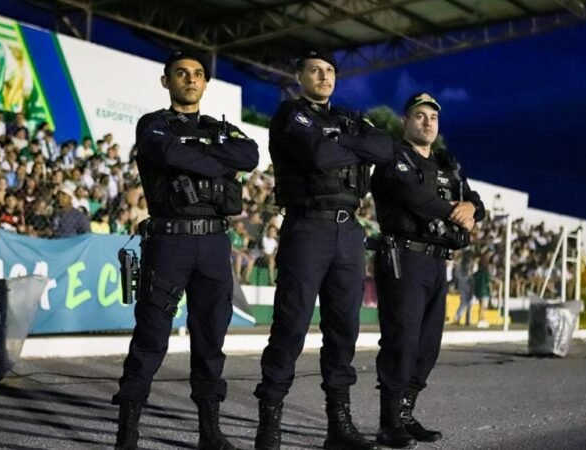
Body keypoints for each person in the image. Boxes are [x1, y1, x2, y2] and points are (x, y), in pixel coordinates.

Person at [112, 49, 258, 450]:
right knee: (151, 337)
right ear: (167, 82)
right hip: (169, 241)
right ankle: (127, 435)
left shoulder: (217, 127)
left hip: (213, 242)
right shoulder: (154, 124)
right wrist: (214, 155)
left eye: (197, 74)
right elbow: (166, 153)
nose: (191, 79)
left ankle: (210, 432)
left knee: (211, 339)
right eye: (181, 73)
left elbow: (250, 156)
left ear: (205, 84)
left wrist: (197, 150)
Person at [253, 49, 393, 450]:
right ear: (299, 75)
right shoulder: (289, 115)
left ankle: (339, 425)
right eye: (314, 70)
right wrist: (352, 145)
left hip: (349, 232)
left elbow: (384, 148)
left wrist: (341, 139)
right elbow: (320, 155)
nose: (324, 76)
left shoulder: (348, 118)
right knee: (291, 327)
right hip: (307, 227)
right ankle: (270, 425)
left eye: (330, 70)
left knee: (343, 331)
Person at [369, 93, 484, 448]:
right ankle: (389, 422)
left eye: (433, 117)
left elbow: (476, 203)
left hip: (436, 261)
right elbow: (414, 196)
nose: (428, 122)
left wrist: (470, 207)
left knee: (427, 345)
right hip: (404, 257)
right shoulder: (393, 157)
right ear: (406, 121)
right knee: (401, 341)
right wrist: (457, 211)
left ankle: (405, 413)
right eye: (420, 116)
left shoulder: (448, 164)